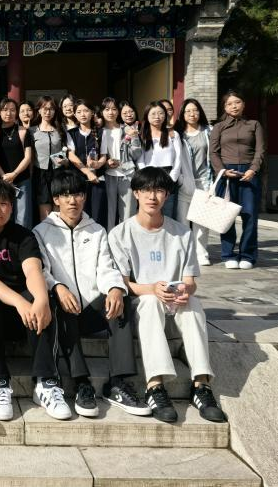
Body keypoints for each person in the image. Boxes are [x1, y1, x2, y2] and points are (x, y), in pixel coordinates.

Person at [108, 167, 227, 424]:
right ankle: (155, 386)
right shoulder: (120, 234)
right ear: (136, 193)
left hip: (174, 304)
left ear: (167, 196)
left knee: (193, 304)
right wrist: (152, 289)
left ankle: (201, 386)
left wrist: (185, 291)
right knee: (151, 302)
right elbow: (124, 284)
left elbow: (190, 281)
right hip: (143, 305)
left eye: (159, 191)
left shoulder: (182, 233)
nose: (152, 197)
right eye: (146, 190)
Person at [34, 171, 149, 418]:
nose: (72, 201)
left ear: (84, 197)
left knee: (121, 299)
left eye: (77, 194)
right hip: (64, 313)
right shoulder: (41, 232)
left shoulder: (96, 230)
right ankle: (81, 383)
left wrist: (115, 288)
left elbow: (106, 268)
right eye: (65, 195)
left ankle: (117, 382)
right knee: (56, 301)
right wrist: (57, 286)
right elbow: (41, 271)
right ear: (56, 199)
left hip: (90, 311)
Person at [0, 178, 68, 421]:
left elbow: (33, 270)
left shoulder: (23, 235)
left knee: (44, 298)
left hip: (24, 315)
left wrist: (40, 300)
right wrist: (20, 303)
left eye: (3, 203)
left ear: (12, 207)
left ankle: (46, 381)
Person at [210, 91, 265, 269]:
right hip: (227, 175)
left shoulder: (254, 124)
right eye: (229, 103)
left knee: (250, 216)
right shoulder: (218, 127)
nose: (234, 106)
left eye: (237, 102)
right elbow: (213, 152)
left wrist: (253, 169)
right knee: (227, 216)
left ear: (243, 104)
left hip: (249, 175)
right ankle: (228, 255)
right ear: (224, 107)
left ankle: (248, 255)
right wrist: (223, 171)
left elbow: (260, 150)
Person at [174, 98, 214, 266]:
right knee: (182, 220)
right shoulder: (177, 134)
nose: (192, 114)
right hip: (185, 181)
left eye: (195, 110)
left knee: (201, 221)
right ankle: (185, 253)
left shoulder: (208, 131)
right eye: (188, 111)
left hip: (204, 181)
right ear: (182, 114)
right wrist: (180, 179)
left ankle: (201, 253)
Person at [136, 102, 182, 220]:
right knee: (149, 213)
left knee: (167, 214)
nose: (157, 117)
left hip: (168, 175)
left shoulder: (173, 134)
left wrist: (172, 178)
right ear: (147, 116)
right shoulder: (142, 135)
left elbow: (178, 158)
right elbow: (140, 158)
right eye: (153, 114)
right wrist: (147, 177)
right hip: (148, 176)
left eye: (161, 113)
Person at [67, 99, 108, 230]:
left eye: (86, 111)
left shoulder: (101, 132)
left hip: (98, 179)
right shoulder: (71, 133)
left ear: (92, 113)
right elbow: (71, 155)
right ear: (74, 114)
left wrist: (98, 164)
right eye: (79, 112)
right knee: (79, 213)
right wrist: (88, 172)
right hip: (79, 180)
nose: (83, 114)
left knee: (98, 214)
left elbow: (104, 155)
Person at [0, 97, 34, 228]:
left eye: (12, 110)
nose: (9, 113)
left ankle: (24, 241)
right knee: (4, 215)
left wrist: (14, 174)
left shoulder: (23, 131)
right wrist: (4, 176)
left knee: (23, 217)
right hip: (3, 181)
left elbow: (28, 157)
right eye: (5, 110)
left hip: (22, 180)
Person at [100, 97, 139, 228]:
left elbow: (136, 154)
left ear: (118, 111)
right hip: (107, 175)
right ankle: (110, 239)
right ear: (102, 111)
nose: (110, 112)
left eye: (114, 109)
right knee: (109, 214)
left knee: (128, 214)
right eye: (107, 109)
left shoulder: (127, 129)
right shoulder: (99, 131)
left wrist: (134, 137)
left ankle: (126, 239)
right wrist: (106, 163)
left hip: (127, 174)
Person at [30, 96, 70, 222]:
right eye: (45, 109)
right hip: (40, 173)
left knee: (59, 207)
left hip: (58, 172)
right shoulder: (32, 131)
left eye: (51, 109)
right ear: (39, 110)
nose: (48, 112)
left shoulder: (60, 129)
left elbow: (66, 151)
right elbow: (29, 156)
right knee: (45, 211)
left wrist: (65, 161)